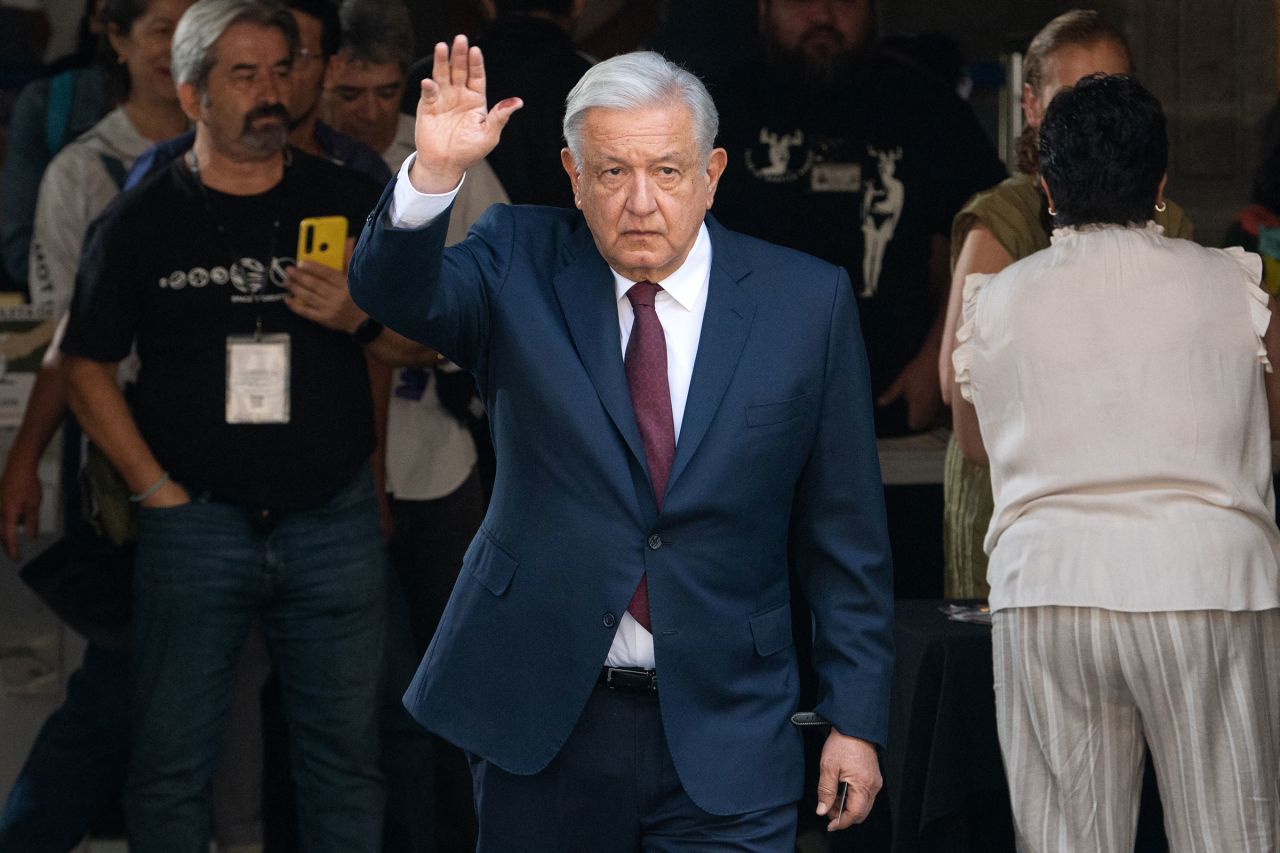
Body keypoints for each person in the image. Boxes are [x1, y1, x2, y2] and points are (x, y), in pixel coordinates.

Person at [349, 40, 894, 850]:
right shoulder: (517, 259)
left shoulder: (803, 301)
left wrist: (855, 717)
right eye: (611, 173)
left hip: (727, 720)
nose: (640, 201)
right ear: (573, 177)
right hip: (543, 711)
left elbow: (843, 531)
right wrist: (432, 176)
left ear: (712, 174)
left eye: (667, 172)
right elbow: (393, 292)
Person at [59, 1, 395, 849]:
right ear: (191, 93)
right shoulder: (140, 218)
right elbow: (85, 363)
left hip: (331, 519)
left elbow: (427, 343)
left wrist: (360, 316)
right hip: (195, 521)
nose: (271, 92)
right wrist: (154, 489)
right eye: (244, 76)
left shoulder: (354, 199)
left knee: (346, 761)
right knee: (173, 763)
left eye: (283, 71)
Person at [951, 72, 1280, 852]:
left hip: (1048, 592)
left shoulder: (993, 299)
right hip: (1208, 587)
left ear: (1045, 185)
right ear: (1160, 184)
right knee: (1230, 834)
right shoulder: (1235, 284)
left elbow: (971, 441)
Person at [936, 10, 1195, 599]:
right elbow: (958, 387)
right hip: (1013, 515)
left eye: (1114, 91)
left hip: (1130, 520)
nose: (1097, 118)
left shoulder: (1170, 219)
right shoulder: (1000, 221)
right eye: (1076, 95)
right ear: (1032, 107)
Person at [711, 0, 1005, 438]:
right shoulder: (715, 111)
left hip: (892, 407)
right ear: (764, 9)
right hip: (743, 414)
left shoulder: (924, 106)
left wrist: (937, 362)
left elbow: (996, 229)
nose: (823, 14)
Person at [472, 0, 592, 207]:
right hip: (577, 234)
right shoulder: (595, 79)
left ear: (488, 4)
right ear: (578, 5)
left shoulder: (432, 81)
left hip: (461, 236)